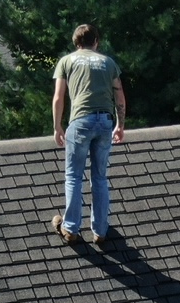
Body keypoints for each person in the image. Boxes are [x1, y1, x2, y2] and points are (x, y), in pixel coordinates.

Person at [50, 24, 126, 246]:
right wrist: (120, 124)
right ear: (96, 42)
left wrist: (57, 127)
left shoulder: (67, 61)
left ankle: (71, 228)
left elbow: (58, 98)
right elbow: (119, 96)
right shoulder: (107, 62)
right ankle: (100, 230)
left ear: (76, 43)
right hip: (104, 121)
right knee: (100, 177)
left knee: (74, 175)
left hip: (81, 121)